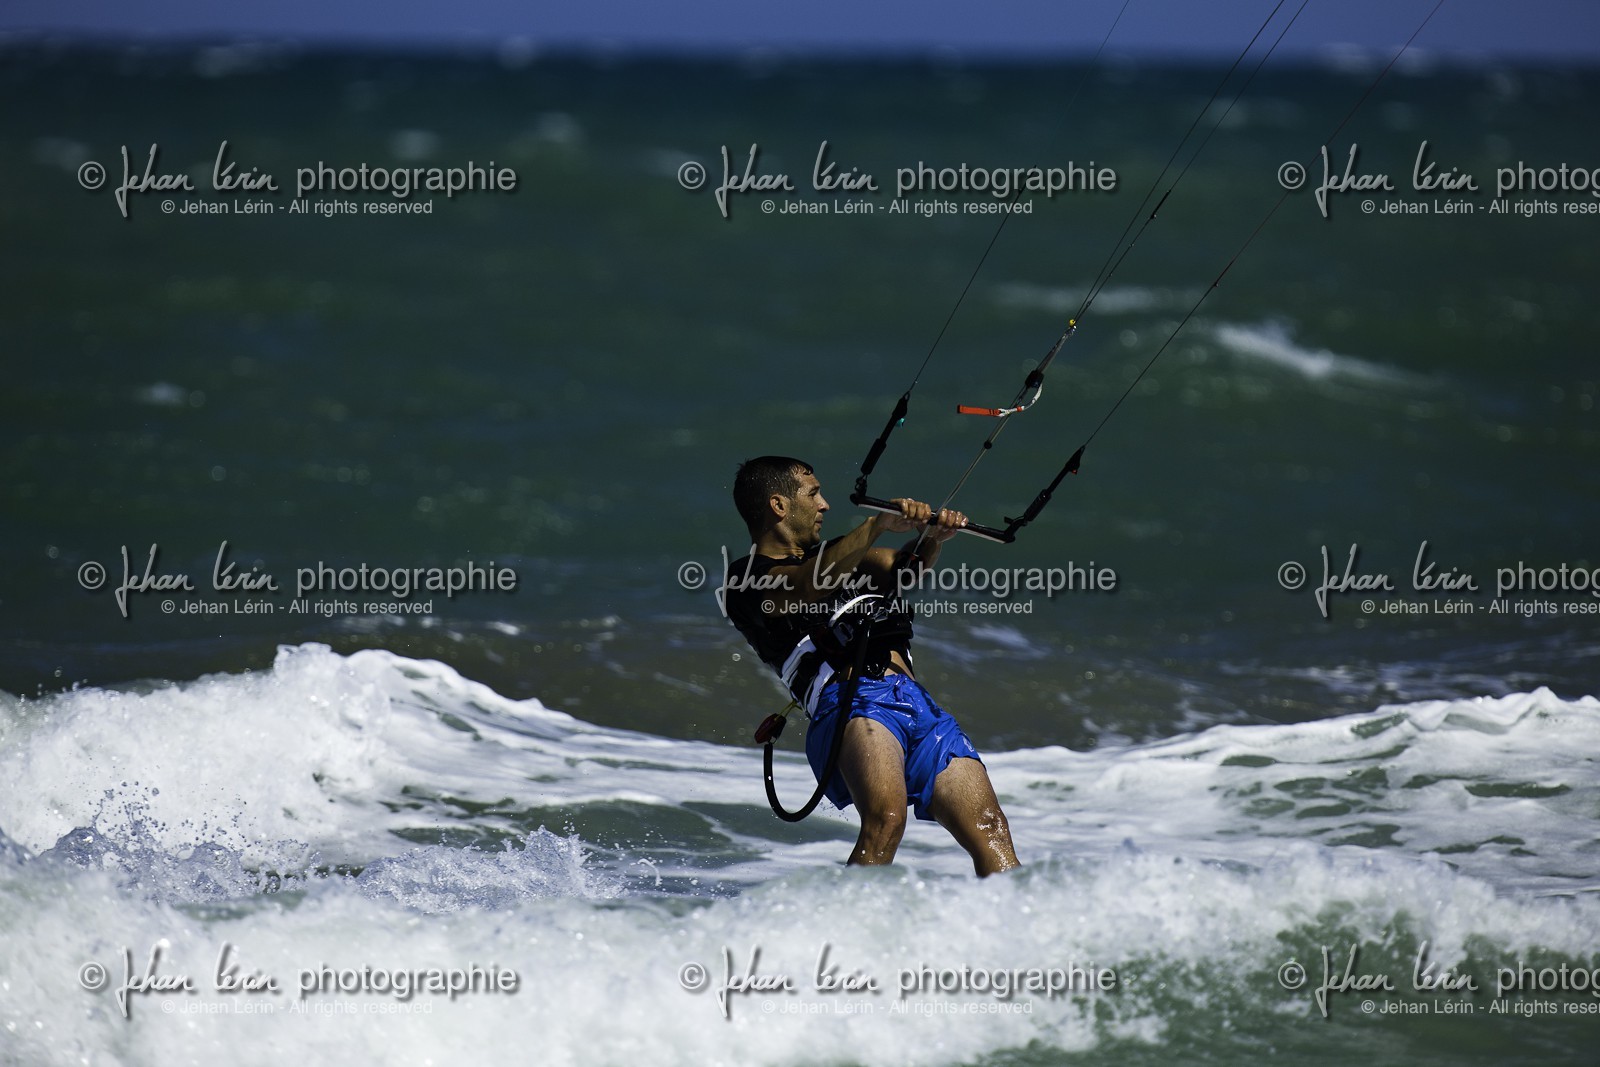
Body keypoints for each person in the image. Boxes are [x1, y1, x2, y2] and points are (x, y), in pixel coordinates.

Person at [722, 456, 1020, 877]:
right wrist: (876, 524)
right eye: (813, 494)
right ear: (778, 506)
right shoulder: (746, 580)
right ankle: (844, 935)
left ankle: (1017, 933)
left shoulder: (845, 556)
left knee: (992, 827)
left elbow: (904, 571)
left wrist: (931, 537)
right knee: (886, 821)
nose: (825, 505)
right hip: (854, 703)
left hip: (918, 705)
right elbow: (807, 585)